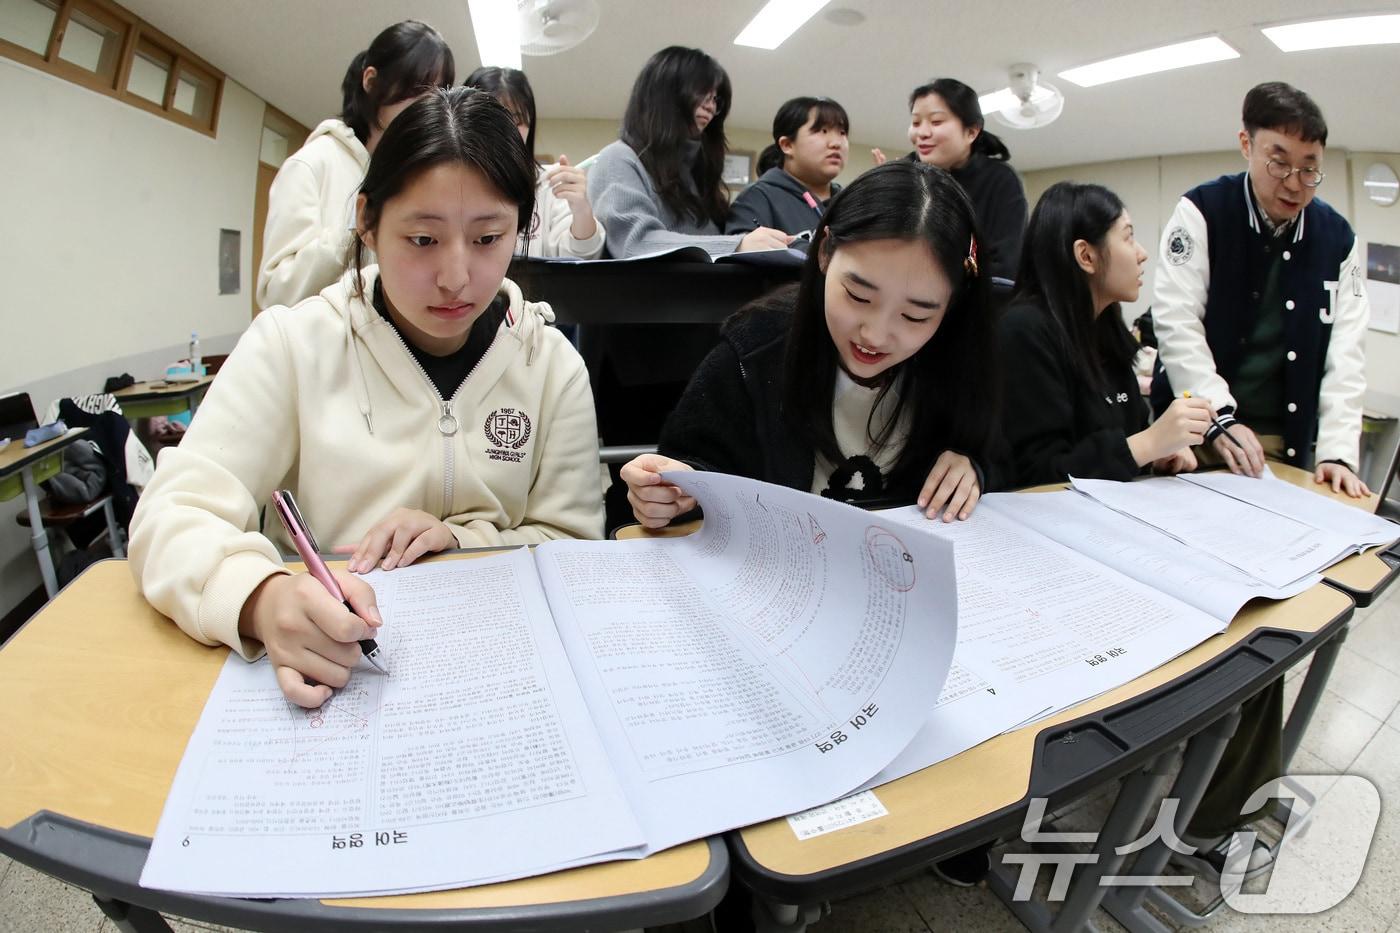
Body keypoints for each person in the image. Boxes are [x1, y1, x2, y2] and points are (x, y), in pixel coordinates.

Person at [131, 88, 604, 708]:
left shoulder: (552, 367)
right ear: (367, 222)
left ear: (520, 227)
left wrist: (462, 541)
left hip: (494, 681)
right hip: (337, 678)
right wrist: (260, 597)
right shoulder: (293, 346)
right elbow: (172, 515)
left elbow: (573, 545)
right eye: (423, 240)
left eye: (489, 239)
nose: (457, 277)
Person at [620, 160, 1001, 526]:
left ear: (952, 306)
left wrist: (974, 467)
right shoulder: (756, 348)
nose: (875, 335)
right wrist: (676, 491)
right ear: (824, 252)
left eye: (916, 316)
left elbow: (1005, 457)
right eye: (858, 296)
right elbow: (693, 463)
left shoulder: (958, 358)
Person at [1151, 81, 1370, 497]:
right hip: (1197, 432)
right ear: (1246, 145)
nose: (1294, 184)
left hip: (1283, 443)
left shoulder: (1339, 238)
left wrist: (1337, 453)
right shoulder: (1201, 211)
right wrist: (1221, 419)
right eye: (1279, 163)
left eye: (1309, 168)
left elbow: (1347, 350)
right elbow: (1176, 322)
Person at [999, 182, 1214, 485]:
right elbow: (1038, 473)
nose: (1141, 254)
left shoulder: (1105, 331)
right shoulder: (1024, 331)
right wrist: (1148, 444)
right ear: (1086, 256)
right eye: (1128, 237)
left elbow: (1128, 442)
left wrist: (1157, 455)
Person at [256, 21, 455, 310]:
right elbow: (276, 295)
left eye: (436, 94)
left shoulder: (408, 172)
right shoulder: (312, 163)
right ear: (371, 81)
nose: (426, 107)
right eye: (416, 90)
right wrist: (356, 223)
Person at [588, 46, 792, 257]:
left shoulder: (697, 172)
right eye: (702, 93)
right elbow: (634, 243)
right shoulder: (618, 159)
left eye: (715, 99)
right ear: (666, 94)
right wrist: (737, 245)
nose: (711, 107)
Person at [874, 78, 1027, 284]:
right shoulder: (904, 174)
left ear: (972, 132)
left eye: (936, 122)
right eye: (916, 122)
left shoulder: (1000, 180)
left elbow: (1005, 266)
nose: (922, 133)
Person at [463, 66, 605, 259]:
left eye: (517, 120)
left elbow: (581, 257)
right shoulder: (450, 182)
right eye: (494, 119)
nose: (507, 130)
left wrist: (581, 209)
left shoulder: (551, 182)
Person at [726, 96, 849, 236]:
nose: (836, 143)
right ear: (787, 145)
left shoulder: (853, 202)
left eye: (842, 133)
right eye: (823, 131)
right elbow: (740, 251)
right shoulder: (758, 197)